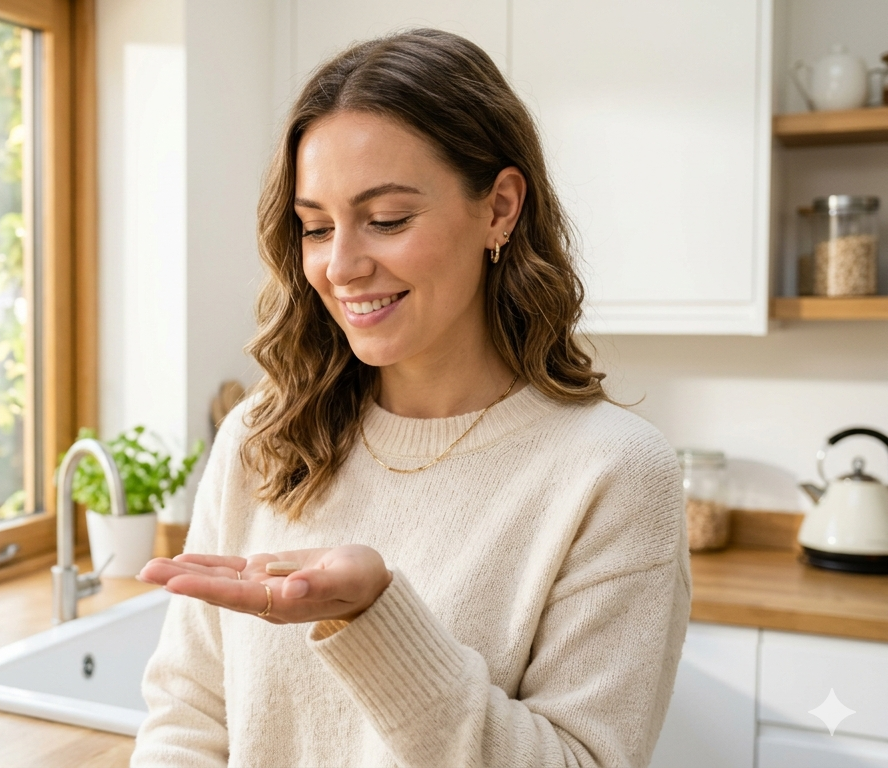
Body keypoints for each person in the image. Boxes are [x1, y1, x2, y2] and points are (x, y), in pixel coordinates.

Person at [131, 28, 689, 768]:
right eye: (316, 227)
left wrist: (375, 619)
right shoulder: (263, 437)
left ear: (500, 209)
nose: (342, 265)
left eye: (387, 220)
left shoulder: (614, 476)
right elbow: (187, 718)